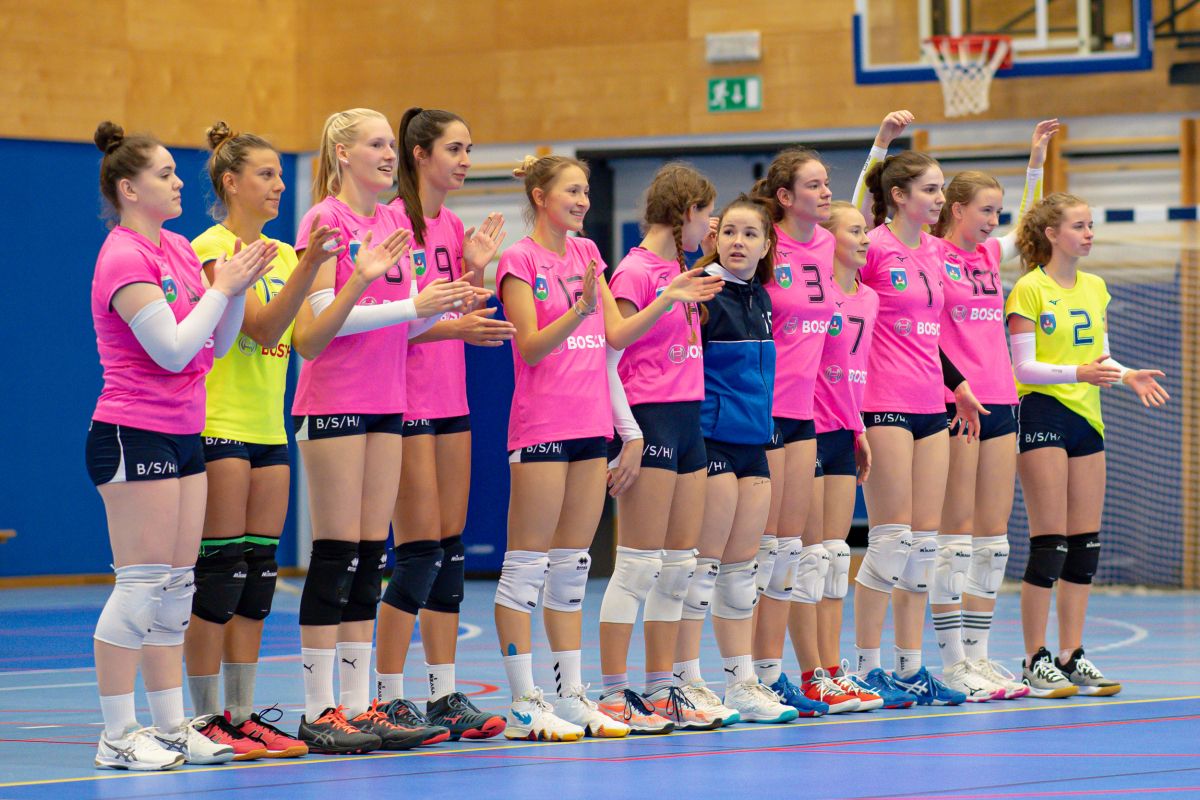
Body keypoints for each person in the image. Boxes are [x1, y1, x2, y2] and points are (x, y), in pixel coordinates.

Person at [494, 154, 721, 741]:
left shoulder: (589, 254)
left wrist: (630, 431)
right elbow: (530, 348)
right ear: (540, 197)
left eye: (586, 191)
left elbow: (614, 340)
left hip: (590, 426)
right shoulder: (520, 259)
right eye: (572, 191)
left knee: (571, 571)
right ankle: (524, 703)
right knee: (525, 570)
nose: (583, 201)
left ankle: (571, 696)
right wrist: (577, 312)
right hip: (541, 427)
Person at [87, 121, 276, 770]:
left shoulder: (174, 249)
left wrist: (234, 290)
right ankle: (117, 736)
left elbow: (213, 346)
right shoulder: (123, 257)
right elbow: (169, 350)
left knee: (175, 589)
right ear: (128, 188)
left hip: (182, 434)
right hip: (132, 431)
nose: (177, 183)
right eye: (164, 174)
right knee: (140, 586)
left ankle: (171, 729)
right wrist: (222, 289)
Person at [289, 108, 476, 753]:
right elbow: (316, 330)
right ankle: (318, 709)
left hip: (387, 402)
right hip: (335, 401)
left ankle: (356, 703)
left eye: (388, 144)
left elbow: (409, 322)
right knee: (336, 554)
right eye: (374, 144)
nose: (387, 154)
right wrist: (393, 296)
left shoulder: (395, 223)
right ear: (342, 153)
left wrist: (448, 304)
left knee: (371, 557)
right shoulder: (324, 221)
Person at [182, 122, 331, 761]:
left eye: (279, 174)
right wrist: (312, 264)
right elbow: (259, 328)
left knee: (257, 579)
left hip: (270, 429)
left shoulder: (285, 256)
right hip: (220, 426)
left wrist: (351, 281)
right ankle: (203, 718)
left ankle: (242, 718)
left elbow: (305, 341)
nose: (278, 185)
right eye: (265, 174)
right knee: (218, 579)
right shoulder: (212, 248)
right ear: (231, 182)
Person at [375, 107, 514, 742]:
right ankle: (387, 697)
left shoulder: (452, 226)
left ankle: (442, 694)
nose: (464, 161)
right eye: (455, 149)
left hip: (451, 399)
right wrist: (457, 325)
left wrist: (476, 270)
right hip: (403, 402)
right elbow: (394, 322)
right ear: (420, 154)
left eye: (469, 149)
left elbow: (455, 305)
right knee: (417, 552)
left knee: (450, 550)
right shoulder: (390, 224)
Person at [1006, 193, 1168, 697]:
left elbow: (1100, 356)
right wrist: (1078, 373)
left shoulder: (1096, 287)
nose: (1089, 233)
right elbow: (1022, 367)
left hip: (1087, 419)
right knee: (1049, 542)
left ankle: (1071, 654)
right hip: (1041, 411)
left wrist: (1126, 374)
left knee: (1085, 545)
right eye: (1079, 226)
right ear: (1052, 234)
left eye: (1091, 225)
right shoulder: (1029, 289)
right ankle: (1034, 658)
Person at [852, 129, 985, 708]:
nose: (940, 198)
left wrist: (958, 385)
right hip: (883, 401)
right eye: (930, 189)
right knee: (890, 540)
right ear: (899, 195)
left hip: (932, 403)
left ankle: (909, 667)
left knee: (924, 546)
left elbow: (930, 336)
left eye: (941, 188)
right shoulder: (873, 246)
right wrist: (881, 146)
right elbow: (845, 223)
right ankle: (866, 668)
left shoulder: (934, 251)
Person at [929, 120, 1060, 701]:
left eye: (997, 211)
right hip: (956, 402)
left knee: (993, 538)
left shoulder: (987, 254)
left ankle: (979, 658)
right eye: (985, 210)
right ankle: (952, 661)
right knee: (954, 535)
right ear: (956, 209)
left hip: (1003, 398)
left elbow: (1027, 220)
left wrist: (1035, 162)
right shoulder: (930, 254)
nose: (993, 220)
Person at [595, 163, 728, 733]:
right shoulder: (635, 270)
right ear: (685, 213)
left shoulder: (680, 270)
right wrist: (629, 434)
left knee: (678, 567)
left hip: (688, 417)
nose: (709, 226)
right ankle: (612, 692)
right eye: (705, 215)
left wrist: (700, 264)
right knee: (637, 567)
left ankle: (661, 686)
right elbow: (614, 343)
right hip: (649, 417)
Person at [672, 194, 798, 724]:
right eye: (729, 233)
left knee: (742, 572)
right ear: (715, 237)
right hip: (711, 440)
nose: (739, 242)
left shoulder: (761, 297)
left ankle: (741, 683)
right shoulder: (702, 291)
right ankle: (685, 681)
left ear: (767, 245)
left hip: (754, 442)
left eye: (750, 235)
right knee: (702, 568)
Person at [806, 201, 882, 708]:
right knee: (808, 560)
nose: (865, 239)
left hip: (844, 429)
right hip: (807, 429)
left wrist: (859, 427)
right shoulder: (815, 295)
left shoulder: (869, 299)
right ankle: (808, 670)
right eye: (855, 231)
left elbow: (858, 372)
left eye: (866, 230)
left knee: (835, 559)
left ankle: (833, 669)